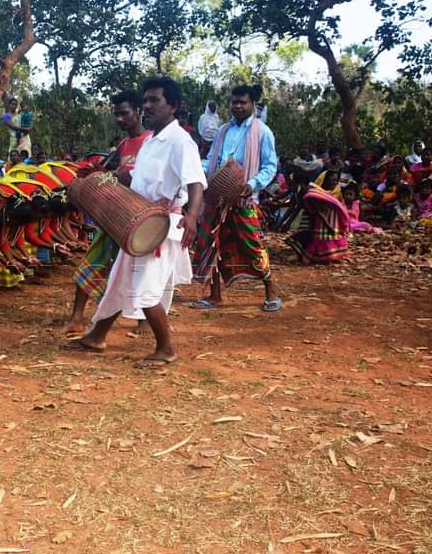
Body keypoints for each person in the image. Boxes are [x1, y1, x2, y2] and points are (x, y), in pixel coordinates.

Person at [65, 77, 205, 365]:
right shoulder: (152, 140)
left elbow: (196, 183)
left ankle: (165, 348)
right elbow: (139, 179)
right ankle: (97, 335)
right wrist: (109, 178)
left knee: (145, 287)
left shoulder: (180, 141)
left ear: (173, 106)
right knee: (119, 281)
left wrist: (192, 217)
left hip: (160, 226)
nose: (148, 106)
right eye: (146, 101)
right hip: (136, 220)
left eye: (155, 100)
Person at [63, 90, 152, 338]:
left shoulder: (152, 141)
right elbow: (116, 174)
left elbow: (145, 179)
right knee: (92, 262)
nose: (120, 119)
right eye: (117, 115)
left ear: (137, 111)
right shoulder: (123, 145)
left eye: (124, 113)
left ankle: (144, 319)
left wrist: (117, 176)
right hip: (116, 215)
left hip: (140, 215)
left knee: (141, 270)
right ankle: (77, 318)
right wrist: (99, 172)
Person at [191, 85, 282, 312]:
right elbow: (212, 159)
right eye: (234, 102)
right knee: (213, 245)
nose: (238, 106)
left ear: (253, 104)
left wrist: (251, 185)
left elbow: (270, 166)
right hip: (217, 198)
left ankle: (271, 289)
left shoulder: (263, 132)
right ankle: (214, 295)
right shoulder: (222, 130)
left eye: (243, 102)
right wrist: (194, 169)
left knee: (252, 244)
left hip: (244, 201)